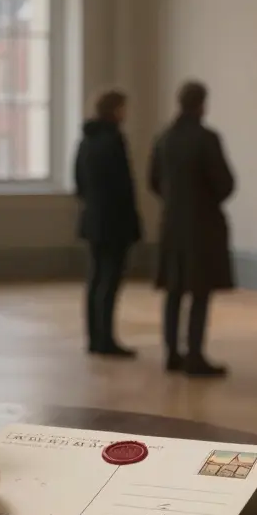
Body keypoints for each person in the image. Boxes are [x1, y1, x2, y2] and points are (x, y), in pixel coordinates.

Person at [148, 81, 235, 377]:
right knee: (200, 291)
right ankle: (195, 354)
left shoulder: (164, 138)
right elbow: (224, 183)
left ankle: (172, 352)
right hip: (202, 223)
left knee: (174, 291)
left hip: (172, 222)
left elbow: (154, 181)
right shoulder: (206, 138)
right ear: (202, 104)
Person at [75, 89, 142, 358]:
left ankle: (95, 337)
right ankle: (106, 339)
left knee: (95, 279)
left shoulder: (85, 141)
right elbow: (124, 186)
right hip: (115, 221)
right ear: (115, 110)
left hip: (93, 219)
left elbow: (79, 182)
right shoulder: (114, 140)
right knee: (110, 281)